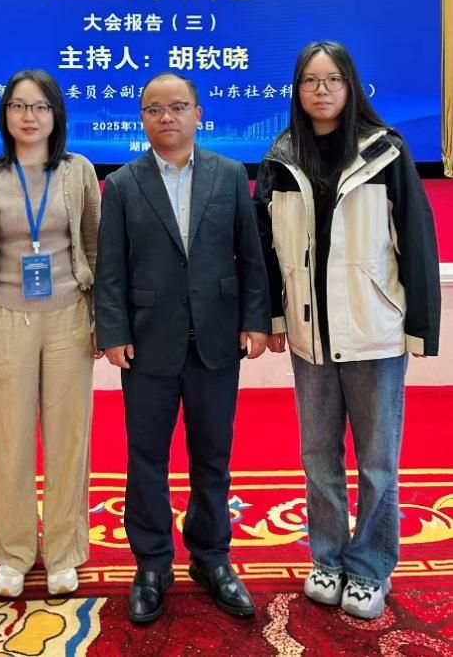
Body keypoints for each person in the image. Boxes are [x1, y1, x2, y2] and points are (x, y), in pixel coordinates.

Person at [254, 40, 441, 620]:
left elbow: (417, 242)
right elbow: (265, 250)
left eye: (332, 79)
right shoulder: (281, 157)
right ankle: (328, 559)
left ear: (350, 85)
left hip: (374, 331)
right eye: (310, 80)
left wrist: (421, 327)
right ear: (297, 90)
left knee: (378, 461)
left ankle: (369, 568)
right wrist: (276, 318)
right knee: (318, 457)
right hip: (311, 337)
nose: (322, 90)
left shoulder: (386, 152)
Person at [94, 72, 270, 624]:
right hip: (147, 343)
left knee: (213, 455)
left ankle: (212, 556)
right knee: (146, 457)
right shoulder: (123, 184)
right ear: (142, 119)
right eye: (154, 109)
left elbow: (250, 255)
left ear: (198, 114)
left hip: (217, 338)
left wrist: (256, 319)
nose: (166, 117)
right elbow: (111, 268)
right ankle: (152, 564)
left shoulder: (229, 174)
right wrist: (112, 331)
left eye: (177, 107)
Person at [0, 69, 102, 599]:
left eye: (40, 106)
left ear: (55, 115)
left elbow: (97, 246)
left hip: (69, 318)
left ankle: (65, 552)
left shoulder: (78, 171)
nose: (29, 116)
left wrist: (101, 321)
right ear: (5, 115)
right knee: (10, 441)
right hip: (5, 320)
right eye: (18, 106)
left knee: (69, 440)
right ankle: (14, 552)